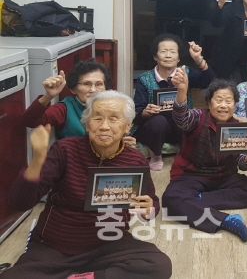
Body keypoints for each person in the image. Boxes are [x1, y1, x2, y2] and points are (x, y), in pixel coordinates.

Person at [4, 91, 171, 278]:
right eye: (97, 118)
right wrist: (37, 161)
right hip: (56, 245)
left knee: (159, 265)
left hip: (109, 244)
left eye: (114, 119)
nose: (104, 126)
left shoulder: (136, 161)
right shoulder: (65, 150)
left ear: (127, 126)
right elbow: (19, 203)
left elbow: (152, 203)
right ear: (87, 123)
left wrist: (147, 209)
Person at [161, 70, 247, 242]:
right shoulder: (198, 117)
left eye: (228, 101)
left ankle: (197, 201)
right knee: (170, 199)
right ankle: (226, 220)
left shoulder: (239, 126)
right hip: (191, 176)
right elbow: (181, 118)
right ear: (209, 103)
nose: (223, 105)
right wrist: (181, 91)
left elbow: (240, 162)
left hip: (224, 177)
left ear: (235, 105)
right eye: (218, 100)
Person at [133, 33, 215, 171]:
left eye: (172, 52)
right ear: (155, 56)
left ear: (178, 58)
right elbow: (137, 112)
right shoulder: (144, 79)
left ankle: (186, 154)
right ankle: (156, 155)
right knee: (158, 121)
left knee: (184, 118)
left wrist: (198, 59)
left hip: (179, 127)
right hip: (154, 129)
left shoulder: (185, 73)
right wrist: (146, 112)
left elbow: (209, 81)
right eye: (163, 51)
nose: (168, 55)